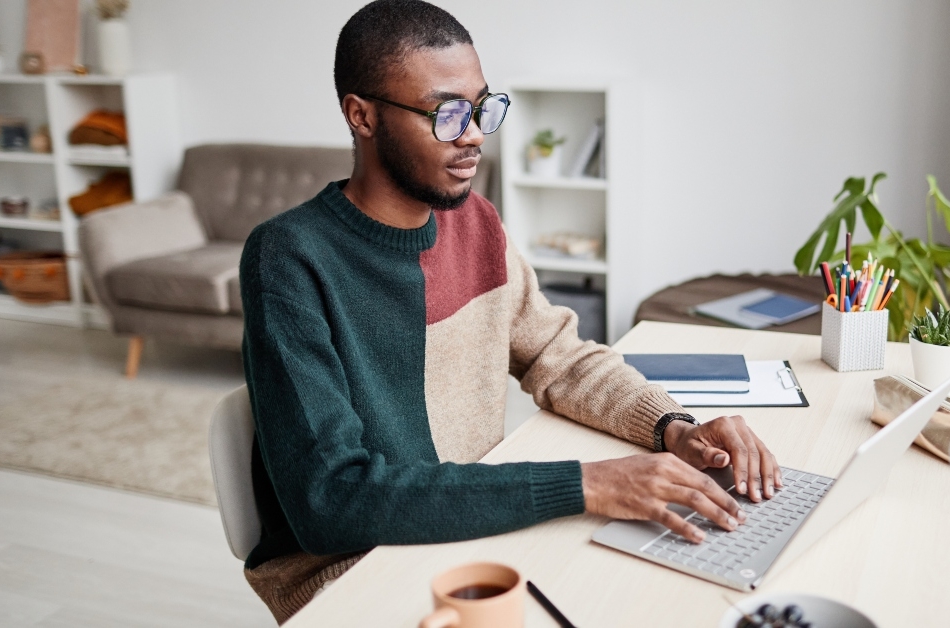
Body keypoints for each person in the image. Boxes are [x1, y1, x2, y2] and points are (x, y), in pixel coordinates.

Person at [239, 0, 782, 622]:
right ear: (361, 116)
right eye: (445, 113)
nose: (472, 134)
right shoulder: (289, 257)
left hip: (476, 520)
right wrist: (592, 483)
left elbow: (561, 358)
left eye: (480, 108)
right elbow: (331, 500)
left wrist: (674, 431)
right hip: (356, 566)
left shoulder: (475, 223)